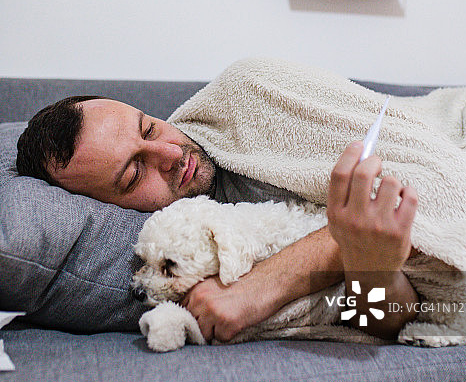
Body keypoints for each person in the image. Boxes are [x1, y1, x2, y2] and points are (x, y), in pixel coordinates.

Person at [17, 95, 420, 342]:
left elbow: (421, 189)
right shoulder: (186, 246)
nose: (173, 154)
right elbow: (393, 315)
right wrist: (367, 262)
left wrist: (265, 285)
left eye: (150, 129)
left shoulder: (244, 99)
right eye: (136, 173)